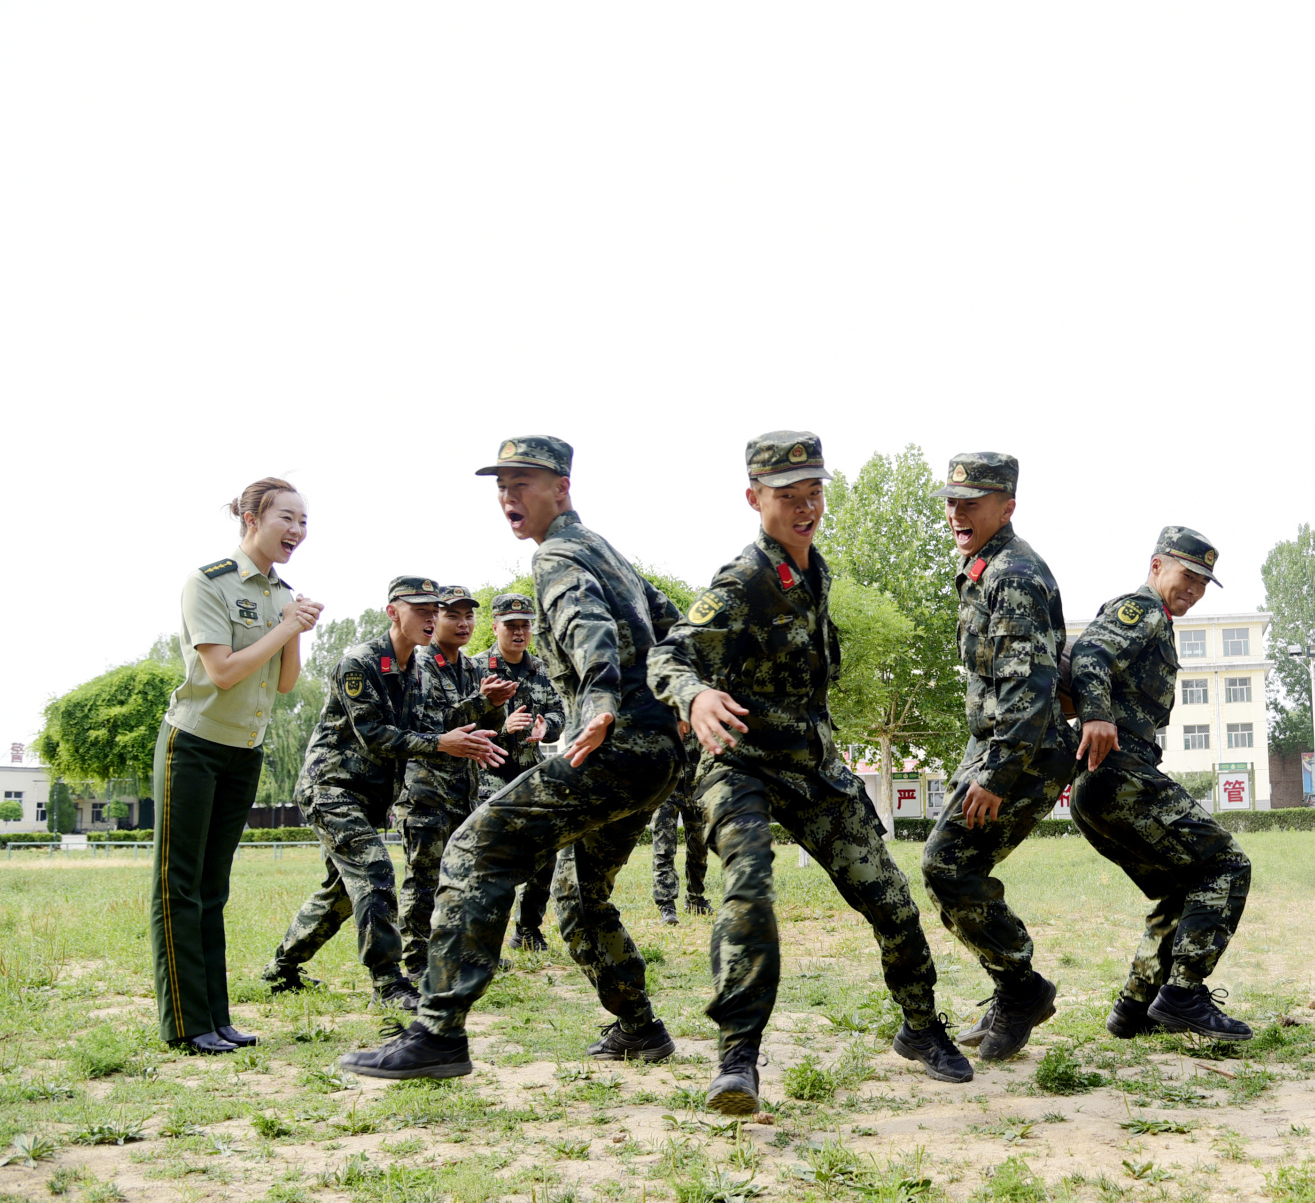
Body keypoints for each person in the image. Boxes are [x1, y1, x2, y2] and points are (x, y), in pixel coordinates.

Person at [339, 436, 688, 1079]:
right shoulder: (604, 549)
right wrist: (687, 697)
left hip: (607, 747)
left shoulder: (558, 556)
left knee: (474, 850)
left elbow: (589, 630)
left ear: (561, 488)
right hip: (656, 754)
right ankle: (640, 1028)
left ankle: (437, 1034)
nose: (507, 496)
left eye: (521, 483)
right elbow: (672, 625)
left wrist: (604, 695)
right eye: (501, 485)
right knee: (581, 895)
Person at [648, 431, 972, 1112]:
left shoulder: (816, 573)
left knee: (889, 898)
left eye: (814, 494)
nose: (805, 508)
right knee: (748, 887)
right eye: (788, 497)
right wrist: (696, 694)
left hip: (813, 769)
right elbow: (668, 657)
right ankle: (737, 1058)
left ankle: (920, 1026)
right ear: (753, 498)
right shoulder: (740, 581)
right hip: (740, 765)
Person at [264, 577, 504, 1010]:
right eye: (421, 610)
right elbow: (374, 734)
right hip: (331, 788)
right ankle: (389, 983)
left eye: (436, 610)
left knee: (341, 893)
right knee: (375, 870)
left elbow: (433, 724)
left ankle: (281, 968)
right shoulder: (359, 663)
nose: (431, 618)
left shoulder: (416, 670)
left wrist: (480, 708)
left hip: (370, 797)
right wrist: (441, 743)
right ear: (393, 612)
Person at [153, 478, 323, 1054]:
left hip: (242, 750)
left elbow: (285, 682)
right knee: (180, 886)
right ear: (251, 517)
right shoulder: (209, 582)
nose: (297, 531)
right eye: (287, 518)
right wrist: (285, 626)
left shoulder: (283, 593)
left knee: (213, 887)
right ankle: (185, 1023)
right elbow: (222, 672)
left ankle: (216, 1020)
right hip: (194, 744)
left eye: (304, 521)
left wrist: (294, 628)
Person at [1069, 527, 1255, 1042]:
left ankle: (1135, 1007)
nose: (1193, 590)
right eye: (1188, 575)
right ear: (1156, 566)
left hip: (1101, 784)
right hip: (1120, 774)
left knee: (1184, 884)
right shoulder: (1142, 608)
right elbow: (1089, 655)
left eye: (1203, 583)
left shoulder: (1158, 621)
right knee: (1227, 864)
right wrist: (1096, 715)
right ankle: (1183, 994)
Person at [922, 452, 1078, 1061]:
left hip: (1025, 752)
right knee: (949, 872)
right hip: (994, 745)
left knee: (947, 865)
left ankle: (1023, 989)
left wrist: (993, 774)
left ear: (1006, 506)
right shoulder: (982, 567)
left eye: (973, 502)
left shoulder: (1013, 575)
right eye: (952, 501)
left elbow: (1029, 689)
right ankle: (1014, 988)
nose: (957, 513)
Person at [397, 586, 515, 980]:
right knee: (424, 880)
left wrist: (496, 707)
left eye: (469, 616)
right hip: (425, 791)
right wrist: (483, 703)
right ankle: (416, 964)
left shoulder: (472, 668)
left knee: (463, 878)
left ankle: (459, 955)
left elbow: (485, 728)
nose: (463, 624)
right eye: (453, 615)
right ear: (436, 619)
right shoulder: (418, 664)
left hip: (465, 789)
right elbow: (431, 728)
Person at [471, 592, 567, 953]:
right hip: (489, 776)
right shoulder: (475, 669)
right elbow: (459, 724)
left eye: (525, 625)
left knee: (545, 851)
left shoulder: (541, 669)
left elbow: (559, 713)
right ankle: (485, 937)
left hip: (531, 772)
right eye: (511, 625)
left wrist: (548, 728)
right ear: (494, 626)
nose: (518, 632)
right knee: (494, 858)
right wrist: (500, 725)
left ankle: (528, 930)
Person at [651, 773, 710, 926]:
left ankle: (695, 899)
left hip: (697, 787)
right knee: (663, 849)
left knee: (700, 849)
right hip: (666, 787)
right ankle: (667, 906)